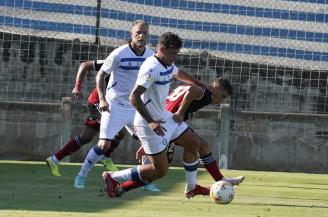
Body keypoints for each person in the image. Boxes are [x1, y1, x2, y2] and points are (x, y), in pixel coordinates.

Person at [102, 32, 214, 199]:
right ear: (161, 49)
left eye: (177, 53)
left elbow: (178, 73)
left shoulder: (166, 62)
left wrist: (201, 84)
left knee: (196, 144)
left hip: (164, 117)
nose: (175, 57)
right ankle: (113, 177)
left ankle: (192, 188)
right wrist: (151, 122)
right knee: (160, 171)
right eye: (173, 53)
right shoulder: (151, 68)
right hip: (149, 124)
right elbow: (134, 96)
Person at [73, 20, 155, 190]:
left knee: (149, 143)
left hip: (135, 107)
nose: (141, 36)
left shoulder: (151, 56)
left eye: (144, 33)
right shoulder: (119, 53)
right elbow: (101, 75)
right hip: (114, 105)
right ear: (131, 35)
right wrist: (102, 99)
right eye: (138, 33)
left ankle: (146, 182)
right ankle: (82, 175)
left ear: (148, 35)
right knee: (104, 145)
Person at [136, 76, 245, 185]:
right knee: (157, 171)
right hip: (166, 126)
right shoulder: (206, 94)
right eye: (222, 96)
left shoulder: (184, 86)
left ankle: (205, 184)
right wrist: (180, 112)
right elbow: (192, 90)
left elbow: (170, 96)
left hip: (165, 123)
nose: (221, 101)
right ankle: (122, 185)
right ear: (215, 87)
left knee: (198, 145)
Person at [46, 60, 124, 177]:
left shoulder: (140, 66)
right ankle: (105, 157)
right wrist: (77, 86)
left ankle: (54, 159)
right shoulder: (115, 60)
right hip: (98, 102)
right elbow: (84, 65)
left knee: (85, 137)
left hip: (113, 104)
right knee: (119, 130)